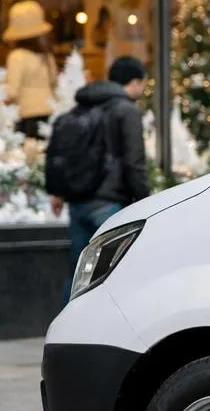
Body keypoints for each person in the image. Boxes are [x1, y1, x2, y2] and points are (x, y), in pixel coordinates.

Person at [54, 56, 151, 298]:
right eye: (143, 84)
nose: (143, 90)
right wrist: (145, 200)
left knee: (79, 274)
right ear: (135, 81)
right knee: (118, 274)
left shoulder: (83, 107)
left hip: (78, 202)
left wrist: (60, 192)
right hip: (109, 203)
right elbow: (134, 161)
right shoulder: (126, 110)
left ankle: (69, 329)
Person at [2, 0, 58, 139]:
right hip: (49, 112)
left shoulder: (17, 56)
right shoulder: (47, 56)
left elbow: (12, 91)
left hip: (26, 116)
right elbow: (55, 83)